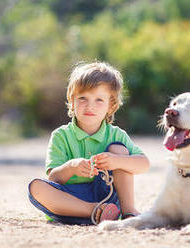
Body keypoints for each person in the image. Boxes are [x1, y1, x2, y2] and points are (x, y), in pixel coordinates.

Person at [28, 61, 150, 225]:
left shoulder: (116, 134)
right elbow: (54, 178)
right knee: (35, 188)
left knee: (119, 150)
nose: (90, 106)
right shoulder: (61, 136)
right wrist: (71, 167)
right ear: (72, 101)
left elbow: (144, 164)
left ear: (111, 105)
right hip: (71, 203)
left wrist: (117, 161)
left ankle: (129, 212)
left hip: (108, 197)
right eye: (82, 98)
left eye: (99, 100)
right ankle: (95, 211)